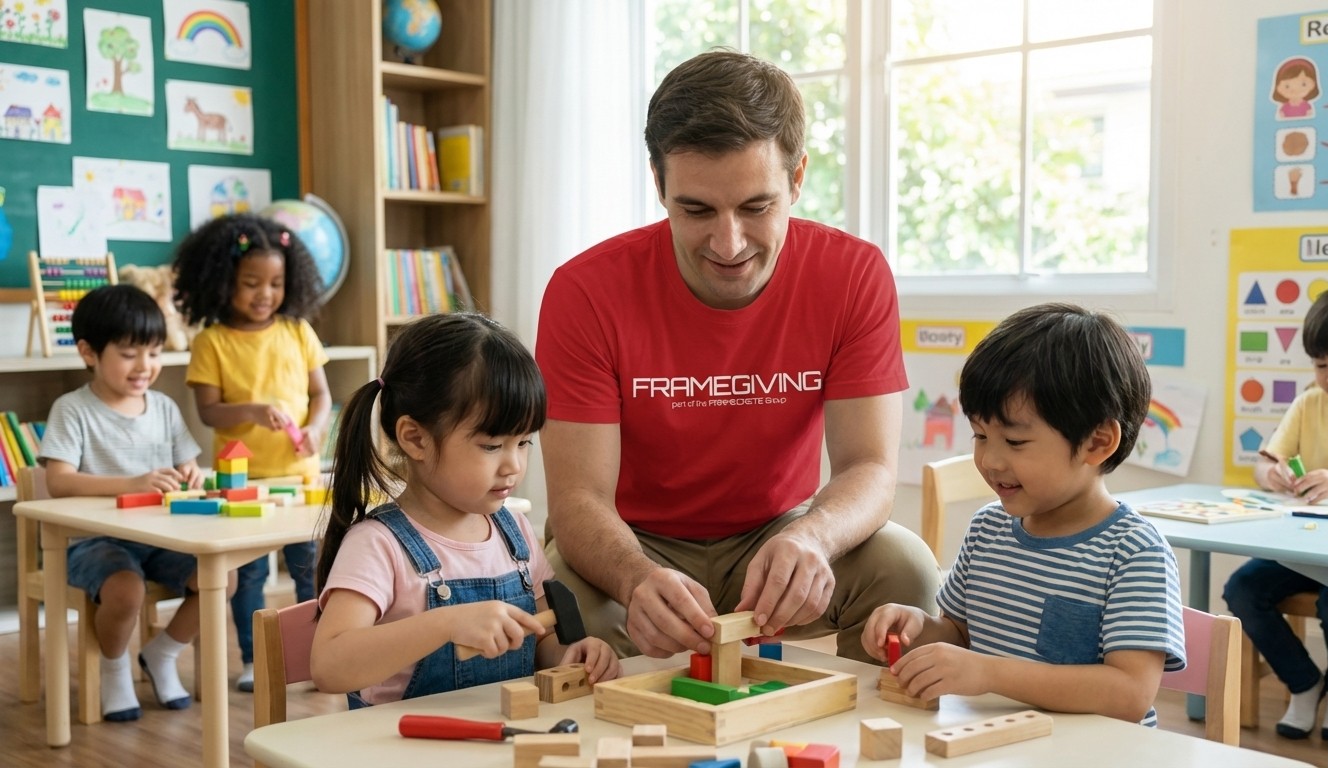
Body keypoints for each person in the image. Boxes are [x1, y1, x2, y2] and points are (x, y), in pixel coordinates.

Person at [535, 49, 940, 663]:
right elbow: (577, 501)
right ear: (658, 182)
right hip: (634, 541)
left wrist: (814, 536)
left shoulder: (854, 274)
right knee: (563, 613)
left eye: (757, 207)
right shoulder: (584, 290)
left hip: (782, 528)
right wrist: (635, 578)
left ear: (797, 178)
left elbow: (871, 467)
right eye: (696, 210)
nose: (729, 244)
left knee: (906, 570)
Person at [862, 303, 1186, 725]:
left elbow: (1129, 694)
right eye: (980, 435)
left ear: (1097, 443)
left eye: (1014, 442)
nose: (991, 460)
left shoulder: (1134, 553)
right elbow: (960, 635)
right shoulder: (988, 529)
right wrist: (917, 629)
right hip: (989, 742)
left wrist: (988, 673)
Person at [310, 313, 620, 706]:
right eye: (492, 446)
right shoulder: (377, 545)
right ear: (415, 439)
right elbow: (329, 664)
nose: (513, 466)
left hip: (497, 740)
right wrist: (447, 624)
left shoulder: (516, 535)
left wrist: (571, 655)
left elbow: (542, 642)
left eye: (524, 443)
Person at [38, 284, 226, 721]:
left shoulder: (162, 407)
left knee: (220, 578)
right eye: (128, 353)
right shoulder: (72, 409)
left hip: (160, 536)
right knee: (126, 590)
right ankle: (114, 667)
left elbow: (188, 466)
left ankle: (162, 653)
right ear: (89, 352)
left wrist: (194, 475)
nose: (145, 366)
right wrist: (133, 483)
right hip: (90, 540)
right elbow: (58, 480)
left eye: (154, 352)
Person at [173, 213, 332, 692]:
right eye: (251, 283)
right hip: (243, 483)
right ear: (223, 282)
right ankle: (253, 660)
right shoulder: (212, 342)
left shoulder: (298, 331)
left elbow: (321, 395)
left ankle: (316, 656)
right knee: (250, 578)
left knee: (312, 574)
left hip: (300, 477)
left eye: (276, 283)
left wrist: (315, 428)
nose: (265, 293)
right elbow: (209, 413)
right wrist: (252, 410)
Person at [1225, 283, 1328, 741]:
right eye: (1321, 364)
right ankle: (1306, 684)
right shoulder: (1309, 403)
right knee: (1242, 590)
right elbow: (1264, 463)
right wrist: (1270, 475)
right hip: (1306, 546)